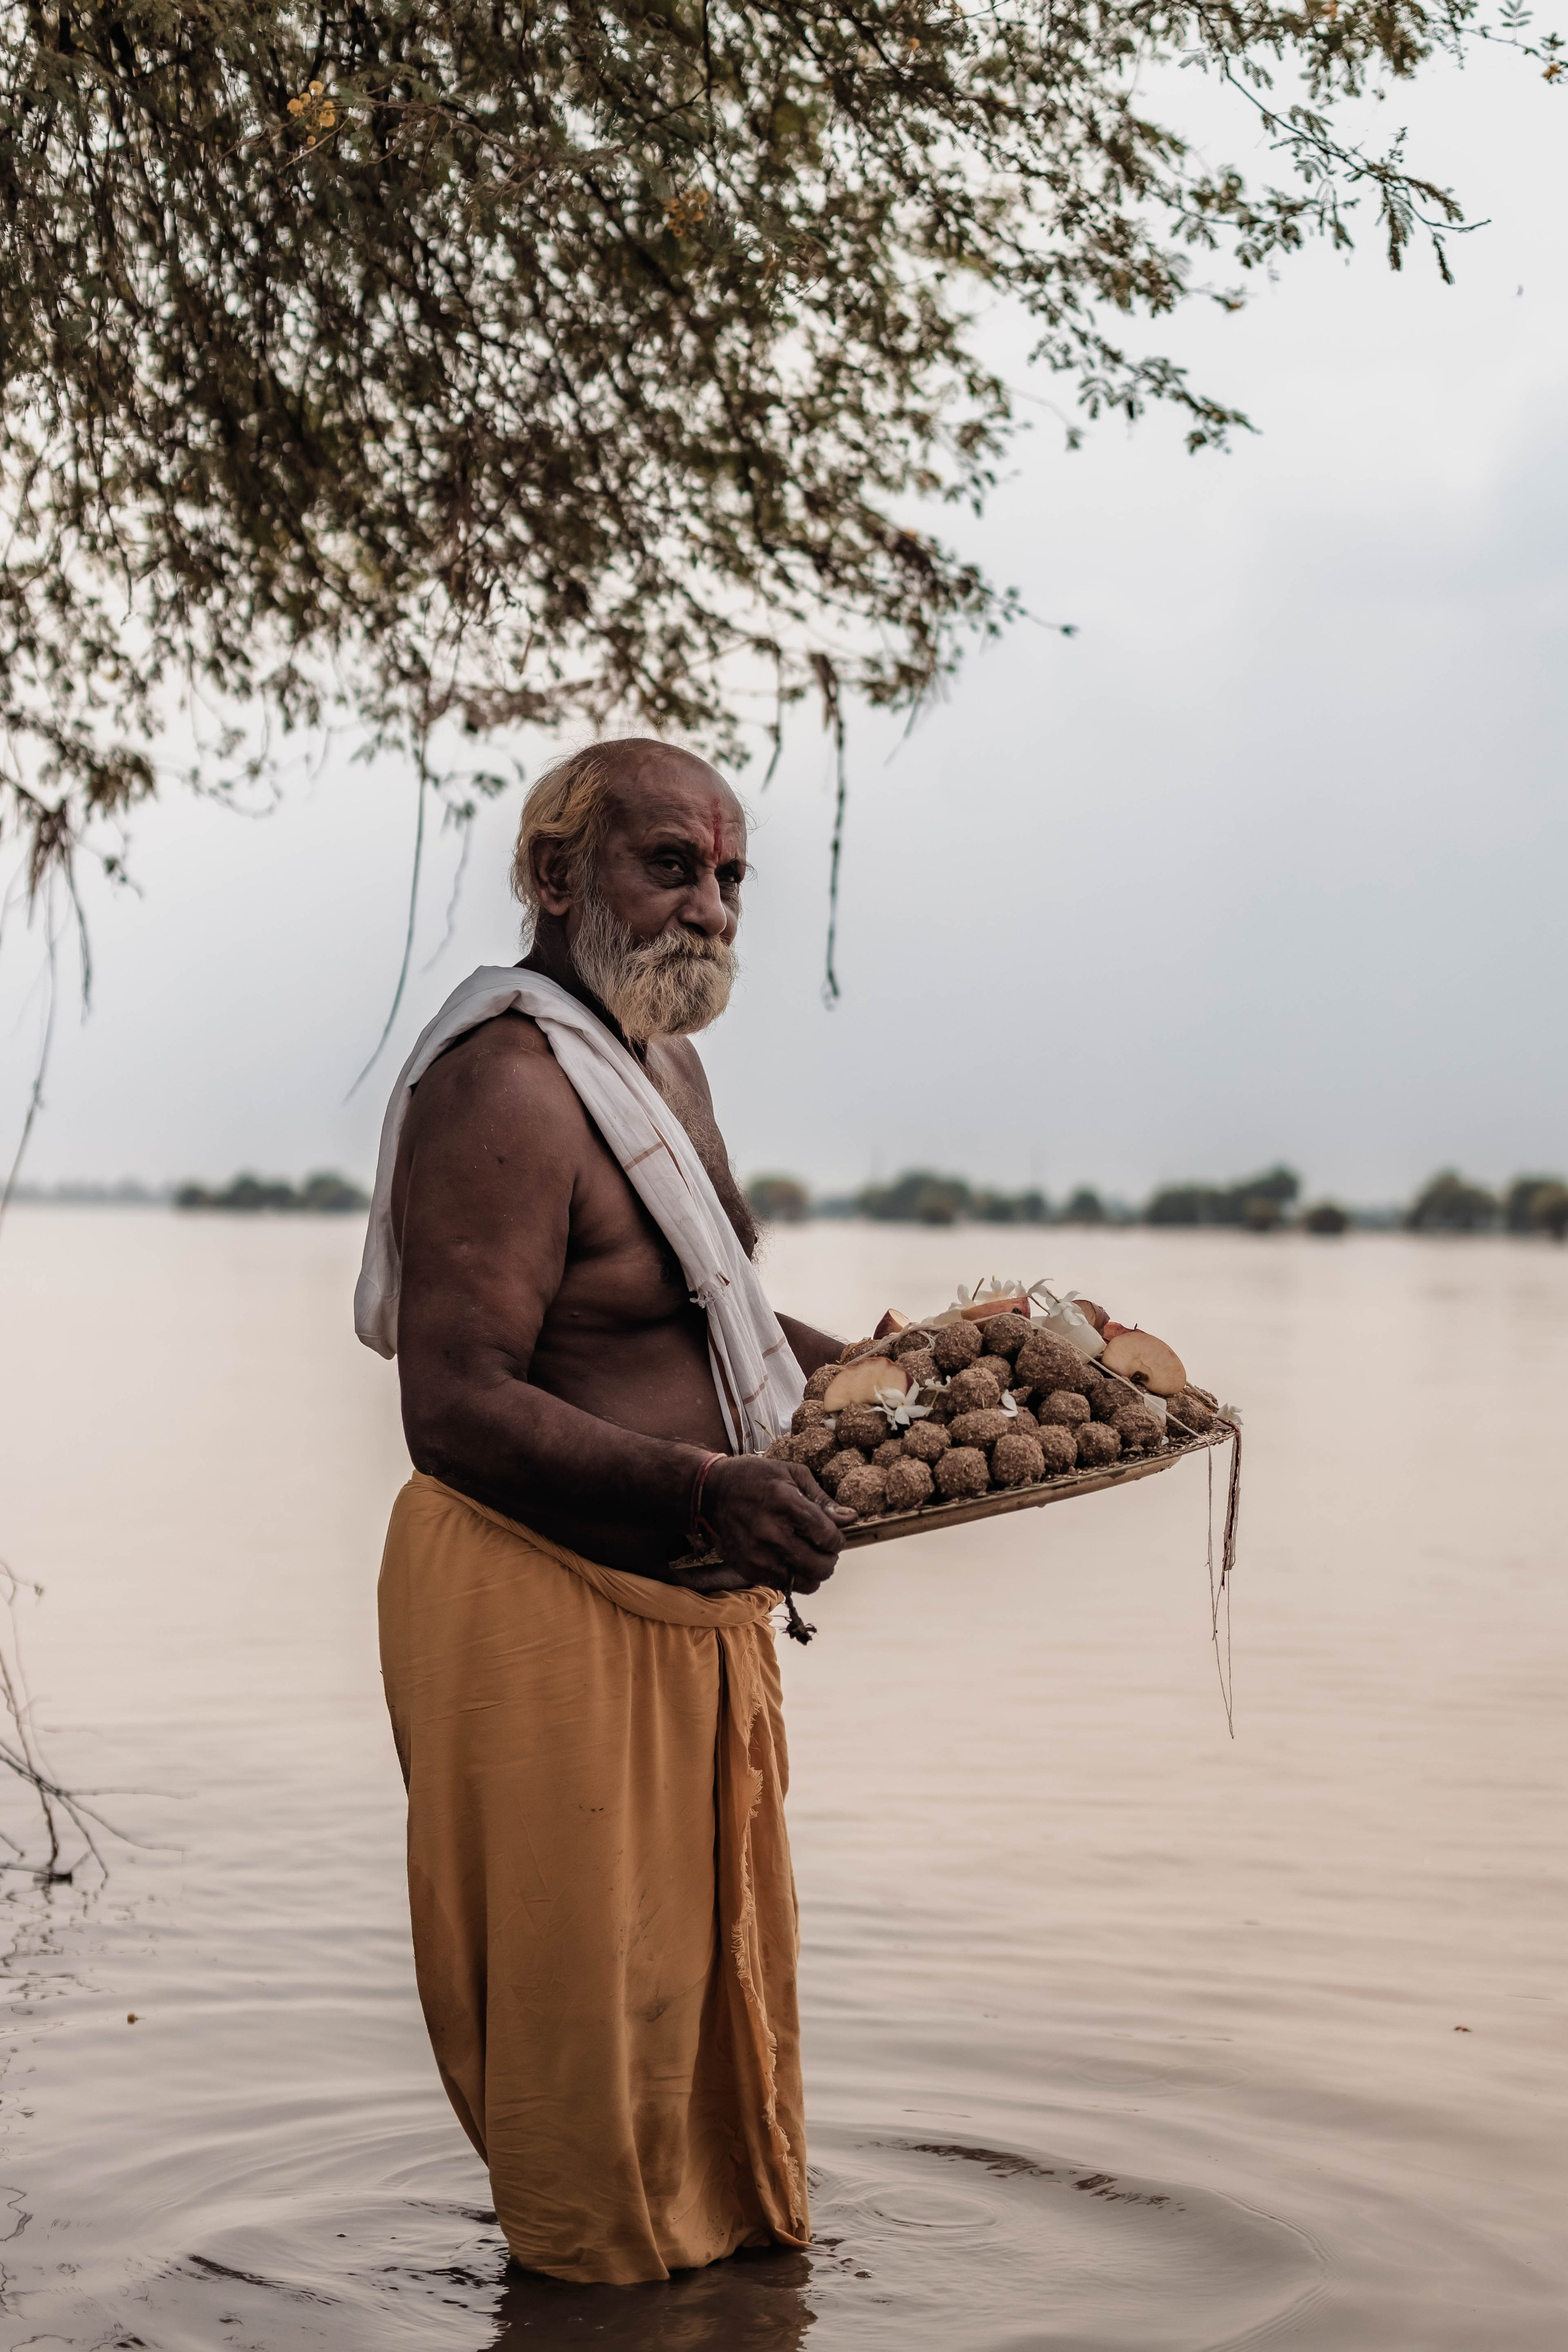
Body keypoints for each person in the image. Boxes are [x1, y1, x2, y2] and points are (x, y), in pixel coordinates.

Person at [355, 737, 851, 2286]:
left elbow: (717, 1328)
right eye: (669, 866)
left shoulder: (659, 1062)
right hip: (537, 1609)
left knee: (700, 2036)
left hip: (689, 1613)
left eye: (729, 878)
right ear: (556, 876)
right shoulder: (503, 1078)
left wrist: (940, 1378)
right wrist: (708, 1484)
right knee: (589, 2058)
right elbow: (453, 1405)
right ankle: (581, 2310)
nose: (709, 907)